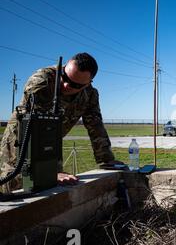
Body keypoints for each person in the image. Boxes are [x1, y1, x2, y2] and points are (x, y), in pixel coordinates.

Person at [0, 53, 123, 194]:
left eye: (74, 85)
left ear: (88, 83)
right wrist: (50, 171)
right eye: (64, 77)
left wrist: (106, 159)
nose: (65, 85)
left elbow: (95, 125)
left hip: (51, 141)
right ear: (64, 67)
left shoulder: (90, 95)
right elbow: (36, 127)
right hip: (21, 140)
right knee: (17, 183)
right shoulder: (42, 81)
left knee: (51, 188)